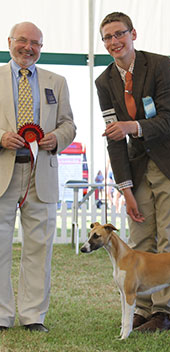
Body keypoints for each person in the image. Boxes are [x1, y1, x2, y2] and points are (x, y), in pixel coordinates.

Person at [95, 12, 170, 332]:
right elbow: (114, 138)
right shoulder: (104, 82)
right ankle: (142, 308)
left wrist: (132, 126)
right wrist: (125, 188)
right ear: (103, 43)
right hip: (137, 166)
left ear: (133, 34)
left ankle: (165, 312)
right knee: (140, 239)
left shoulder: (160, 66)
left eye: (120, 34)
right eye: (108, 37)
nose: (115, 42)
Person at [0, 22, 76, 332]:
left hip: (40, 173)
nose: (28, 47)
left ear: (41, 48)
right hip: (3, 171)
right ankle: (1, 317)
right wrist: (1, 137)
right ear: (9, 42)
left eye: (36, 43)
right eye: (23, 40)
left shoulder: (56, 81)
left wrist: (57, 138)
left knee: (39, 249)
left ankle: (33, 316)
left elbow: (69, 125)